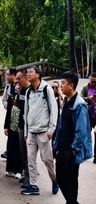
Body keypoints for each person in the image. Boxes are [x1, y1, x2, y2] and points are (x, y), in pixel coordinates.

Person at [52, 70, 93, 204]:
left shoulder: (79, 105)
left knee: (70, 180)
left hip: (70, 150)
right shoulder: (67, 102)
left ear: (71, 85)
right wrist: (56, 145)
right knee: (61, 179)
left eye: (63, 83)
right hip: (62, 148)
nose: (61, 85)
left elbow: (82, 130)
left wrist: (74, 149)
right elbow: (62, 126)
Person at [23, 64, 58, 196]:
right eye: (27, 72)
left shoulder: (46, 89)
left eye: (30, 72)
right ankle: (33, 185)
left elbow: (53, 110)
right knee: (30, 159)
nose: (28, 74)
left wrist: (51, 130)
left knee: (47, 160)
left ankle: (55, 180)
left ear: (38, 74)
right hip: (31, 132)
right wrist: (26, 131)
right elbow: (26, 113)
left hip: (44, 131)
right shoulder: (28, 91)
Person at [81, 72, 96, 162]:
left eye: (94, 81)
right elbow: (80, 99)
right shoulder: (85, 88)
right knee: (86, 135)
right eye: (91, 81)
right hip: (88, 115)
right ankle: (85, 153)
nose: (93, 83)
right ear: (89, 79)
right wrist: (88, 99)